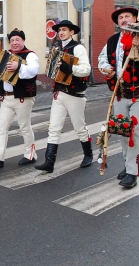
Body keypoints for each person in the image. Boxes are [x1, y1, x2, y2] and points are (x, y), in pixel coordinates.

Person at [98, 7, 139, 189]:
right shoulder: (112, 40)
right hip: (120, 93)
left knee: (134, 132)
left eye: (127, 17)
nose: (123, 20)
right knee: (122, 131)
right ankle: (128, 164)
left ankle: (132, 172)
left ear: (134, 19)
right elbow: (102, 60)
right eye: (120, 17)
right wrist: (105, 69)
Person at [34, 20, 92, 174]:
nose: (61, 33)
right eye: (59, 30)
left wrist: (69, 68)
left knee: (79, 127)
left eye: (64, 30)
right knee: (54, 128)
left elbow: (86, 70)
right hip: (59, 92)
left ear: (72, 32)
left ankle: (88, 154)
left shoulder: (78, 48)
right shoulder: (56, 47)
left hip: (74, 93)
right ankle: (49, 162)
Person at [0, 28, 39, 167]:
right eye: (12, 40)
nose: (14, 43)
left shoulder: (30, 55)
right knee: (1, 127)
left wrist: (18, 65)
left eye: (17, 40)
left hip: (23, 98)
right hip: (6, 98)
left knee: (24, 127)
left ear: (23, 41)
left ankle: (30, 154)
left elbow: (33, 71)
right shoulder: (7, 55)